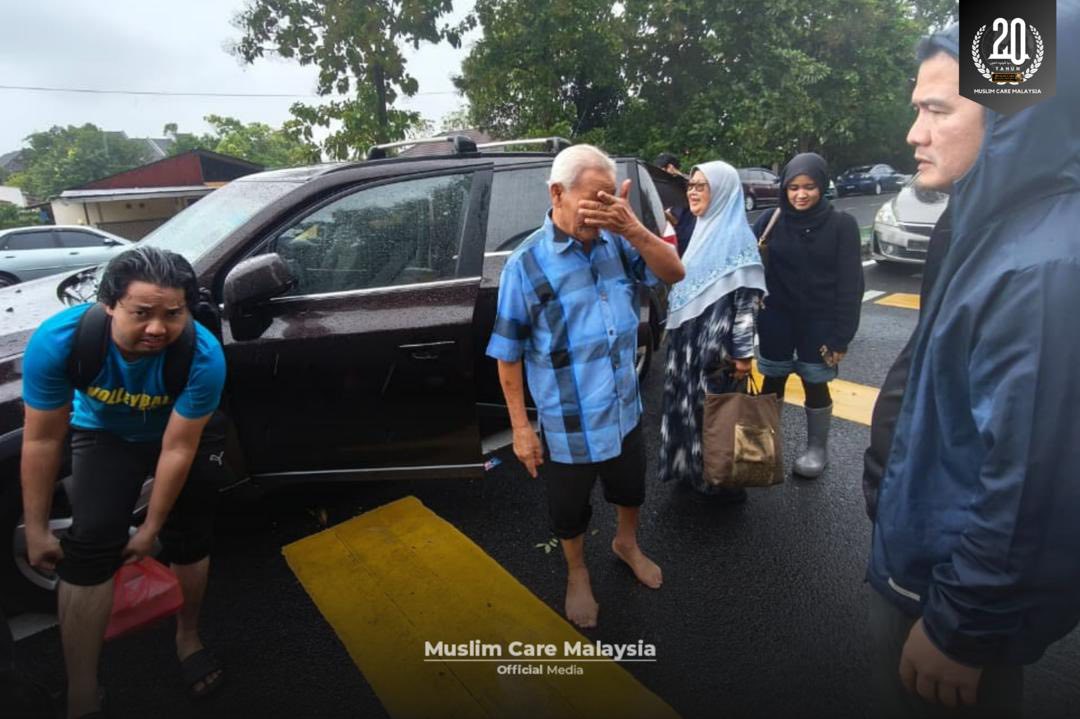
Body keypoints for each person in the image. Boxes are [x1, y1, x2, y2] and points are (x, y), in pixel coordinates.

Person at [867, 6, 1080, 715]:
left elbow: (1034, 479)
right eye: (916, 108)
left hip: (950, 609)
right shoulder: (988, 225)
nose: (914, 133)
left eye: (937, 110)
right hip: (927, 568)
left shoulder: (1041, 266)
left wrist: (963, 625)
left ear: (1013, 119)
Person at [20, 247, 228, 718]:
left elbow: (177, 448)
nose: (157, 328)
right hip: (105, 433)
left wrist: (150, 529)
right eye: (141, 313)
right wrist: (35, 528)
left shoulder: (202, 356)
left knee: (190, 537)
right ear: (110, 305)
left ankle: (188, 637)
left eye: (172, 314)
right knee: (89, 547)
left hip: (180, 432)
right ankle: (82, 689)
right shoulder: (59, 340)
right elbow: (43, 439)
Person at [487, 144, 685, 629]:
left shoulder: (616, 241)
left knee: (630, 489)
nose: (602, 212)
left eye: (609, 200)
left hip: (624, 410)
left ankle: (626, 544)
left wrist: (632, 227)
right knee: (569, 509)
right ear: (557, 193)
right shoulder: (526, 266)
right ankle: (577, 572)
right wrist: (521, 429)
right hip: (567, 424)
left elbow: (674, 272)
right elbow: (508, 355)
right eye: (593, 200)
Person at [657, 161, 767, 502]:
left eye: (701, 186)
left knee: (716, 414)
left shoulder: (738, 239)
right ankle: (688, 469)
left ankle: (720, 480)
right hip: (686, 345)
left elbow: (746, 305)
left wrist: (743, 355)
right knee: (686, 407)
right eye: (690, 185)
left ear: (721, 192)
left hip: (717, 351)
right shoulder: (701, 232)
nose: (692, 191)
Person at [752, 153, 863, 478]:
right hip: (776, 317)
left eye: (809, 187)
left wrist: (841, 337)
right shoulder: (771, 220)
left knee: (815, 381)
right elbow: (745, 262)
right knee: (773, 379)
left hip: (820, 320)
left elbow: (851, 284)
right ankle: (765, 445)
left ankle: (817, 449)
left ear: (822, 186)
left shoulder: (842, 224)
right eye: (793, 187)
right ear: (784, 188)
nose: (801, 194)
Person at [654, 152, 697, 256]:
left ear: (670, 167)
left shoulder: (678, 187)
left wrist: (655, 208)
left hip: (683, 240)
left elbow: (674, 220)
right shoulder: (689, 183)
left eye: (660, 171)